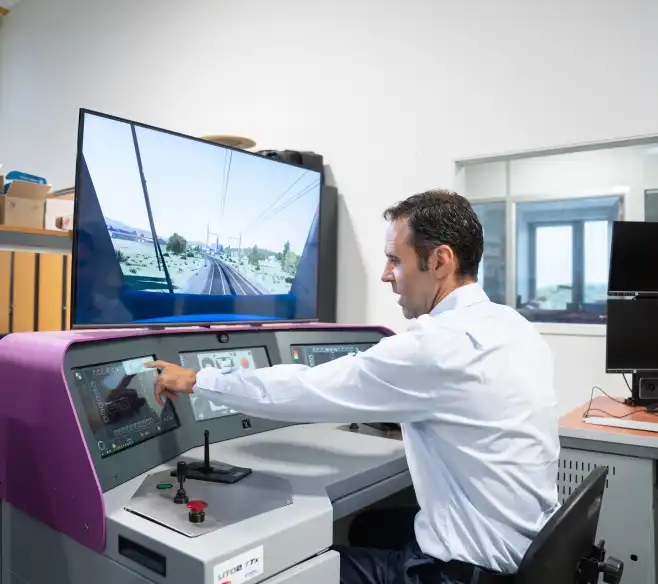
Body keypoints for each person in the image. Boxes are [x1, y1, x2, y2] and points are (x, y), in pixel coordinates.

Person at [145, 190, 560, 584]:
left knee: (289, 571)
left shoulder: (437, 346)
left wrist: (198, 378)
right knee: (367, 524)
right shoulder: (515, 327)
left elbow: (306, 388)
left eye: (395, 260)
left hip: (464, 571)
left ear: (439, 261)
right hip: (528, 549)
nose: (385, 274)